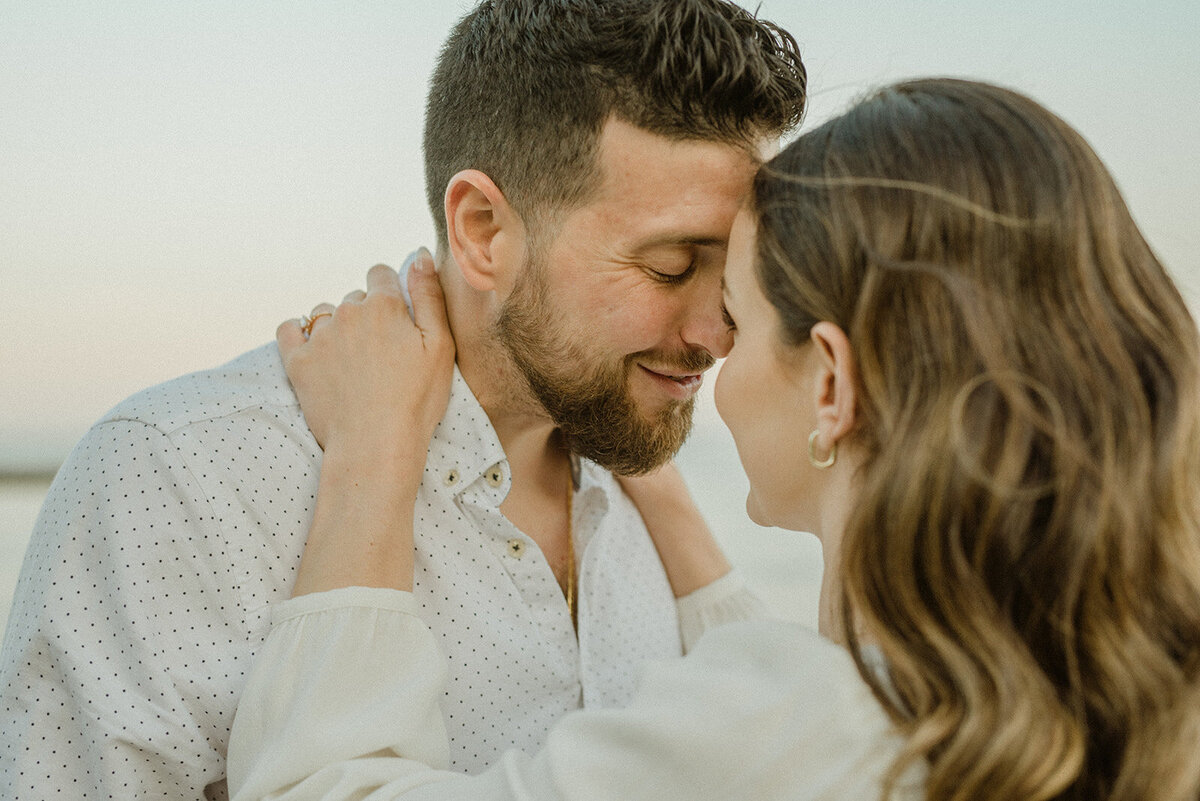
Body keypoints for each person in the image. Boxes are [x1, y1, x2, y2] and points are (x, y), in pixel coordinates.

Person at [226, 78, 1200, 800]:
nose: (706, 355)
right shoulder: (1111, 694)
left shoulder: (801, 723)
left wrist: (371, 454)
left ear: (830, 380)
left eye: (735, 313)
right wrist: (652, 472)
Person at [0, 1, 807, 797]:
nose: (716, 331)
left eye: (734, 272)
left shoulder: (637, 467)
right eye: (670, 265)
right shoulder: (179, 475)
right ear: (484, 230)